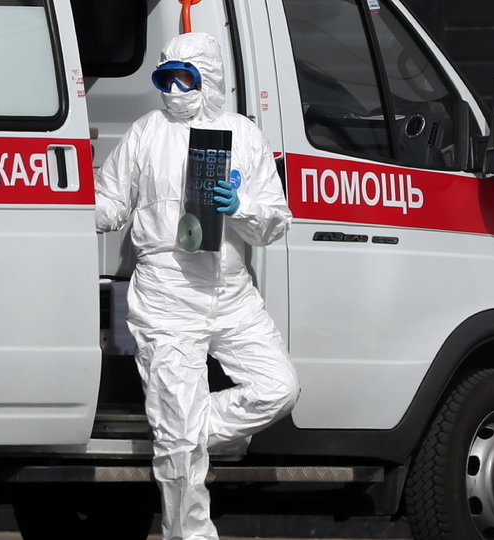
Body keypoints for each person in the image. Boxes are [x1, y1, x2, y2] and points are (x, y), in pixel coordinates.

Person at [95, 32, 300, 540]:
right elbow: (111, 201)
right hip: (166, 297)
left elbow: (275, 221)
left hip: (232, 294)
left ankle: (180, 432)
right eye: (164, 79)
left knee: (278, 389)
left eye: (183, 79)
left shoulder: (243, 135)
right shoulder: (146, 132)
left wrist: (242, 207)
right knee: (179, 443)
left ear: (207, 79)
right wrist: (62, 203)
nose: (172, 90)